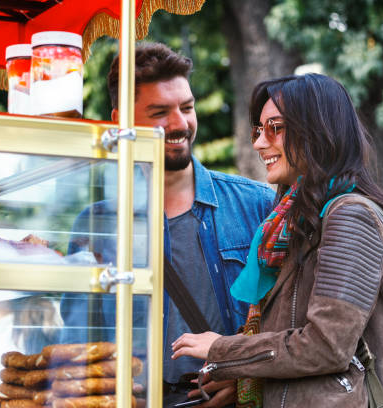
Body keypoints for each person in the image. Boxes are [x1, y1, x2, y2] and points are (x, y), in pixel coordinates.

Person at [171, 73, 383, 407]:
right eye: (257, 130)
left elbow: (327, 345)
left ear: (316, 131)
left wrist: (222, 349)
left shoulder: (350, 217)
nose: (259, 143)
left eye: (274, 128)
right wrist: (240, 375)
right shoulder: (294, 225)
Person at [60, 43, 275, 407]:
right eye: (160, 112)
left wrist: (245, 373)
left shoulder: (256, 205)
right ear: (120, 122)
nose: (180, 124)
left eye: (187, 108)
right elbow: (79, 342)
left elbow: (291, 323)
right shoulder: (95, 223)